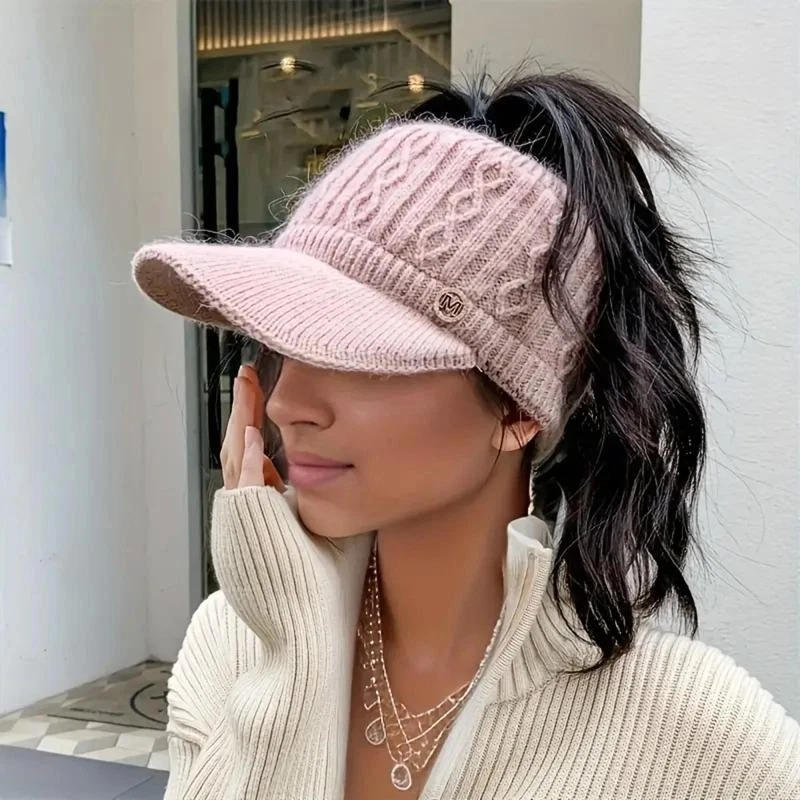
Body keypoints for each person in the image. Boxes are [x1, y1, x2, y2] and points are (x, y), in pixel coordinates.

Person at [132, 72, 800, 800]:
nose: (288, 403)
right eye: (285, 344)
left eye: (360, 354)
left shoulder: (694, 733)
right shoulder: (231, 644)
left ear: (518, 410)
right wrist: (295, 649)